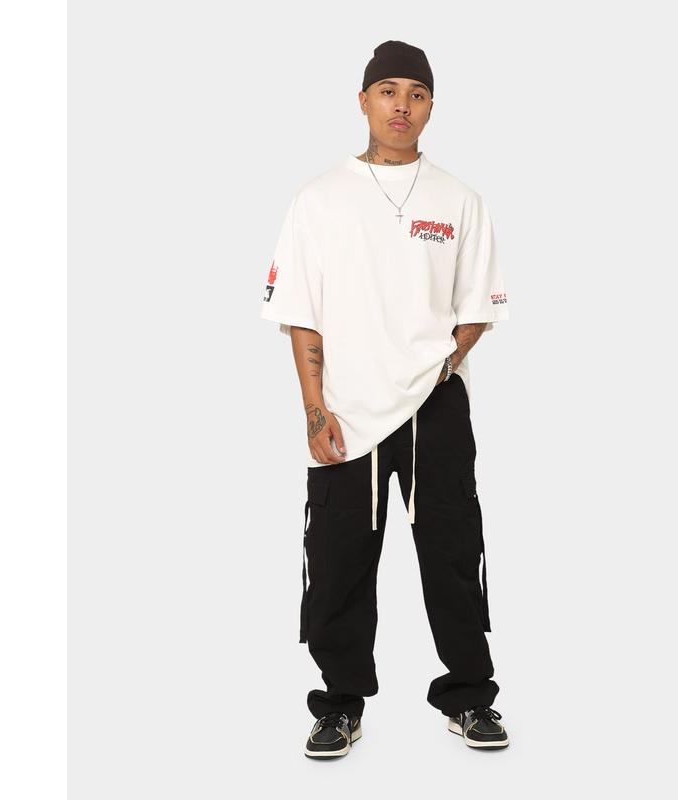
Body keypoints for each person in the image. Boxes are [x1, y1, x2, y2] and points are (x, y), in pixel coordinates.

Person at [260, 40, 511, 758]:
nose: (402, 105)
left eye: (417, 93)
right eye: (388, 90)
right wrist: (314, 409)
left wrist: (437, 367)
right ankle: (340, 705)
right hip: (345, 408)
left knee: (453, 554)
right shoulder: (318, 199)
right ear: (364, 100)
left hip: (437, 408)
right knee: (337, 562)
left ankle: (470, 697)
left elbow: (478, 308)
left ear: (431, 106)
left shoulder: (459, 200)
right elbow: (300, 313)